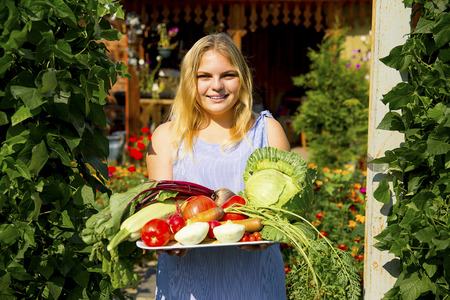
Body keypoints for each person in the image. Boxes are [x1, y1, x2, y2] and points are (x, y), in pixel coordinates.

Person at [146, 32, 290, 300]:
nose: (217, 86)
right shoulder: (166, 137)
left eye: (228, 75)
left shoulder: (268, 132)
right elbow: (161, 212)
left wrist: (269, 231)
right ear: (190, 81)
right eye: (204, 76)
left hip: (256, 285)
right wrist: (168, 240)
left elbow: (286, 213)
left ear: (242, 79)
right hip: (186, 287)